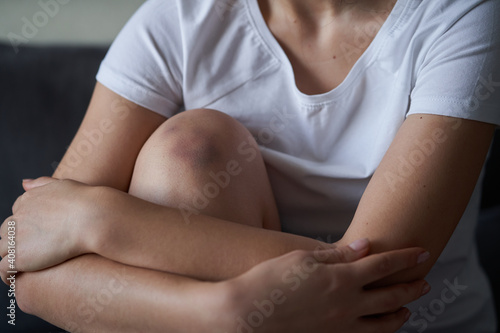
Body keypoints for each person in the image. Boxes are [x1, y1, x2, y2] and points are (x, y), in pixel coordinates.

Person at [1, 0, 499, 331]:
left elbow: (374, 285)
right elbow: (26, 259)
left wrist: (99, 220)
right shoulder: (184, 14)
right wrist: (222, 313)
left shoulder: (461, 16)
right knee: (190, 149)